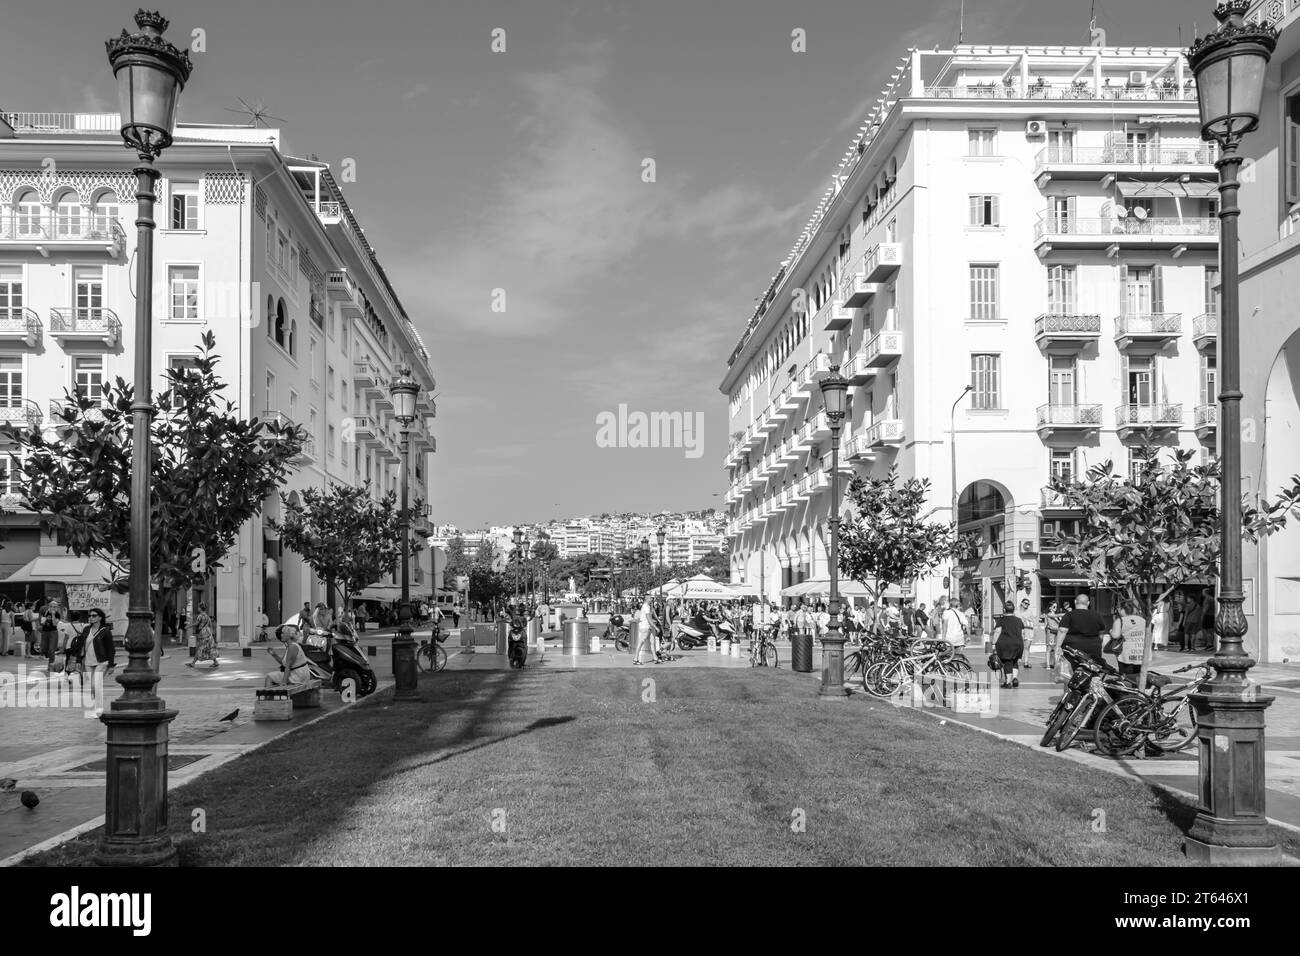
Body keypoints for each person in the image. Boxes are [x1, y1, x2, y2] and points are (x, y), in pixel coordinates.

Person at [1055, 592, 1107, 667]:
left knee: (1073, 671)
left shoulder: (1069, 615)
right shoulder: (1097, 615)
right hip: (1094, 648)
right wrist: (1098, 643)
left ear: (1075, 602)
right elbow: (1101, 632)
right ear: (1088, 603)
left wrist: (1058, 646)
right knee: (1093, 670)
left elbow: (1062, 631)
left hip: (1073, 649)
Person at [1109, 600, 1148, 679]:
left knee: (1126, 679)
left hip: (1126, 654)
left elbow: (1115, 635)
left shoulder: (1120, 620)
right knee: (1139, 677)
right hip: (1141, 652)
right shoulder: (1142, 620)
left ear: (1122, 609)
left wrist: (1110, 631)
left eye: (1118, 608)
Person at [991, 600, 1025, 688]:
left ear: (1004, 610)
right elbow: (1023, 633)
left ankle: (1008, 682)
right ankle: (1015, 678)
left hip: (1006, 644)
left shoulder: (1002, 620)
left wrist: (993, 643)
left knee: (1007, 662)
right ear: (1013, 610)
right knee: (1015, 660)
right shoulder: (1018, 620)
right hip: (1018, 643)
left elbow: (997, 632)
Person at [187, 602, 219, 669]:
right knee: (209, 648)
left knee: (200, 647)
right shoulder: (207, 616)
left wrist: (189, 626)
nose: (198, 608)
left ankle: (193, 663)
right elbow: (210, 625)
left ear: (201, 608)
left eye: (199, 607)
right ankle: (215, 662)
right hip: (208, 632)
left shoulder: (200, 616)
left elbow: (196, 624)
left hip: (203, 633)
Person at [1198, 587, 1217, 653]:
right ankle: (1211, 643)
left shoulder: (1207, 599)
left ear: (1205, 592)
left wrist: (1202, 616)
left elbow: (1205, 608)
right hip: (1212, 616)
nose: (1202, 593)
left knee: (1206, 630)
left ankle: (1209, 644)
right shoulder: (1212, 598)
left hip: (1207, 616)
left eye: (1203, 592)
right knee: (1211, 631)